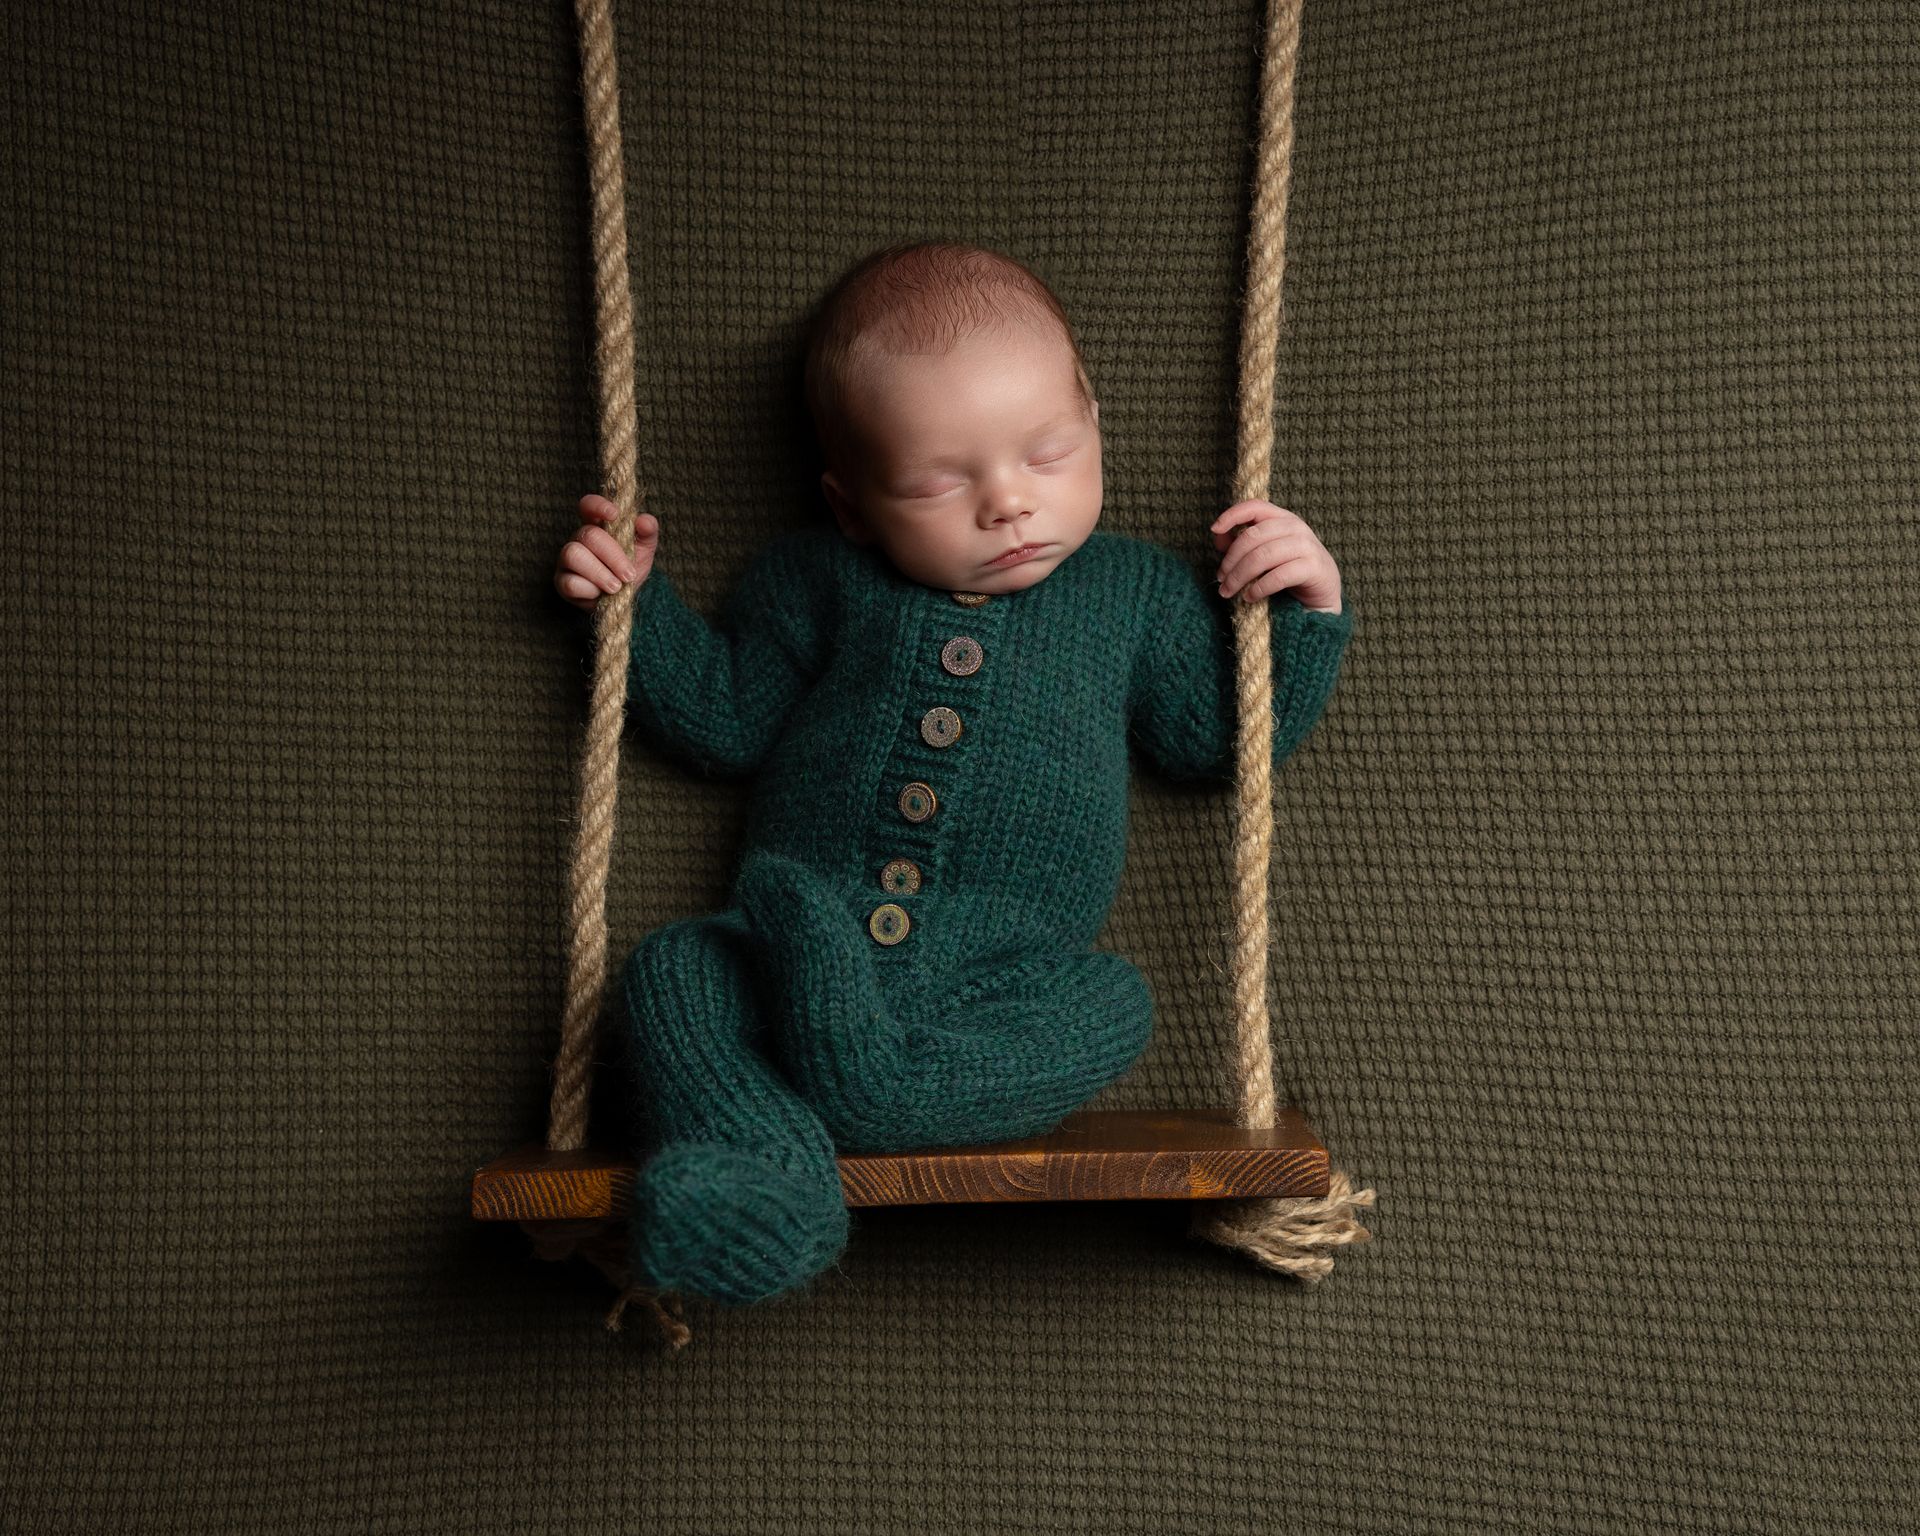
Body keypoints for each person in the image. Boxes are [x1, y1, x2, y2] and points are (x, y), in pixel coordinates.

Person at [551, 241, 1353, 1308]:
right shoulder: (814, 579)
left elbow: (1216, 741)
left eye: (1048, 453)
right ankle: (768, 1193)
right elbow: (724, 721)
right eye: (939, 481)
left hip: (1003, 980)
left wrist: (1309, 612)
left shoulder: (1132, 592)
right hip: (794, 954)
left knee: (1115, 1003)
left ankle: (875, 1093)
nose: (1008, 504)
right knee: (672, 978)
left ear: (1097, 428)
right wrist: (633, 608)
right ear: (852, 506)